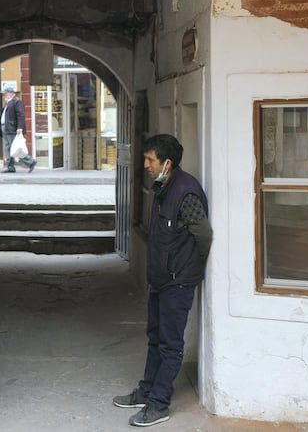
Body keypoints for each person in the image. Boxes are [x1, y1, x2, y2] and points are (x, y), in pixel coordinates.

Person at [113, 134, 213, 428]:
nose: (145, 164)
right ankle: (146, 391)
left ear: (166, 163)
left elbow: (203, 235)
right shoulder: (162, 187)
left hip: (177, 282)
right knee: (155, 337)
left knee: (170, 344)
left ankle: (158, 404)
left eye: (149, 160)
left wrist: (191, 265)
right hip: (161, 279)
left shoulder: (186, 192)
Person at [0, 86, 36, 173]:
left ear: (10, 94)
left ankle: (30, 161)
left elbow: (20, 115)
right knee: (8, 148)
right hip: (6, 127)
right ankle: (10, 167)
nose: (4, 96)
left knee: (15, 148)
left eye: (5, 94)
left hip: (11, 128)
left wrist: (20, 127)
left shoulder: (16, 102)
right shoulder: (8, 103)